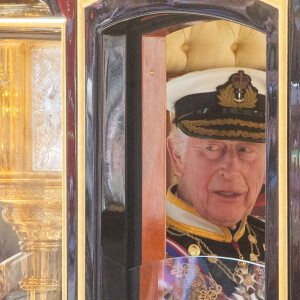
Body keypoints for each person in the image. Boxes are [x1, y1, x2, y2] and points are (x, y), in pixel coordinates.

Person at [165, 68, 266, 265]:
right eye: (212, 147)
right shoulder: (139, 248)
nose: (231, 171)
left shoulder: (279, 243)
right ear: (177, 155)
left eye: (245, 149)